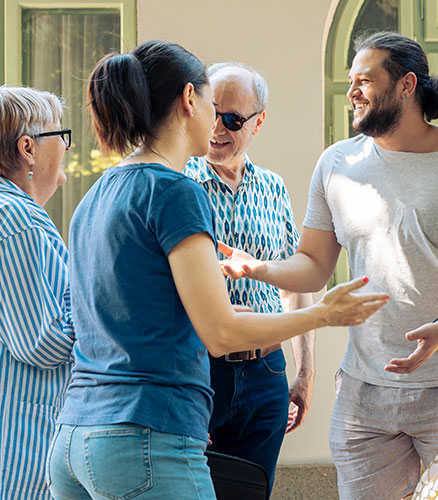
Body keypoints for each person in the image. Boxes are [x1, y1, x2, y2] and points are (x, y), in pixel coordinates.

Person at [46, 40, 387, 500]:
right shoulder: (175, 191)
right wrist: (324, 314)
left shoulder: (96, 195)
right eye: (212, 101)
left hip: (74, 440)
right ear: (190, 100)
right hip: (147, 438)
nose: (216, 119)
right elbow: (220, 333)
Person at [219, 31, 438, 499]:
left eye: (365, 80)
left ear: (406, 85)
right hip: (365, 389)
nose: (352, 92)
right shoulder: (337, 164)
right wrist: (258, 268)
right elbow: (314, 265)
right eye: (350, 81)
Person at [183, 62, 315, 490]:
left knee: (254, 489)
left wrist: (304, 373)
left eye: (233, 119)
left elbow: (294, 285)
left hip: (266, 374)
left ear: (259, 121)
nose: (218, 128)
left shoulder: (273, 188)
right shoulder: (179, 182)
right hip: (201, 370)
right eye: (213, 111)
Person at [0, 85, 73, 500]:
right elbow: (40, 343)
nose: (65, 147)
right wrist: (101, 304)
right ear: (28, 147)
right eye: (59, 136)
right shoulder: (18, 221)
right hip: (19, 449)